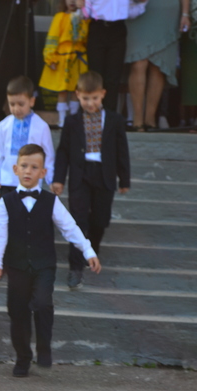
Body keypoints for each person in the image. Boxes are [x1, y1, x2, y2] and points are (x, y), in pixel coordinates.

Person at [0, 143, 101, 377]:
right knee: (17, 312)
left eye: (34, 167)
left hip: (44, 264)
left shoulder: (51, 201)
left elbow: (70, 227)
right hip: (17, 265)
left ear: (43, 172)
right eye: (24, 166)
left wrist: (88, 251)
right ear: (16, 169)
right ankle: (23, 357)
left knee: (42, 303)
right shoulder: (5, 202)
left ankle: (44, 347)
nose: (28, 171)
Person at [52, 71, 130, 290]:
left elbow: (121, 151)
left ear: (103, 94)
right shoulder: (72, 121)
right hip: (80, 174)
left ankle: (91, 250)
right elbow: (63, 151)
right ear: (77, 95)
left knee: (100, 219)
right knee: (77, 221)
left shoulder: (115, 120)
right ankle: (75, 267)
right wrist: (59, 179)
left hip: (104, 175)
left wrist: (124, 178)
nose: (90, 103)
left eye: (94, 98)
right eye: (85, 98)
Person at [125, 0, 190, 131]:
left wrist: (185, 14)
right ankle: (137, 120)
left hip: (166, 11)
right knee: (138, 62)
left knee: (159, 65)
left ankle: (150, 120)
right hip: (138, 8)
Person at [0, 76, 55, 198]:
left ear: (32, 101)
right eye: (12, 104)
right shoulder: (3, 126)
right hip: (6, 181)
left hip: (31, 182)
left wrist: (50, 180)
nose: (16, 108)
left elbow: (48, 155)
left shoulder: (41, 127)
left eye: (21, 104)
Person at [76, 0, 146, 112]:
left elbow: (131, 12)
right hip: (97, 27)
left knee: (113, 77)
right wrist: (81, 7)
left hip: (118, 28)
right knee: (95, 74)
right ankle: (92, 114)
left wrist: (142, 4)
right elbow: (86, 13)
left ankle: (109, 117)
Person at [39, 0, 90, 127]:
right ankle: (62, 119)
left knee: (76, 90)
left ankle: (73, 118)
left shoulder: (84, 19)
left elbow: (86, 36)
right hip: (63, 59)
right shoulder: (60, 17)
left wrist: (83, 13)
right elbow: (53, 37)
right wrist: (50, 57)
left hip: (78, 60)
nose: (72, 1)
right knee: (62, 90)